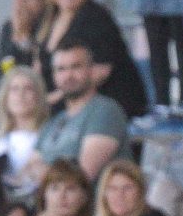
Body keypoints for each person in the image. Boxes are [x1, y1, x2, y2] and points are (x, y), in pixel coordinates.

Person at [40, 0, 152, 120]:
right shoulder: (49, 19)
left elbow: (101, 71)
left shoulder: (96, 17)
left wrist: (54, 98)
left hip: (107, 107)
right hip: (69, 102)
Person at [37, 42, 129, 184]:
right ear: (54, 75)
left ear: (91, 70)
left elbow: (82, 176)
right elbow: (27, 169)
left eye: (76, 66)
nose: (68, 75)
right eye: (61, 69)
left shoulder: (105, 110)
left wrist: (41, 173)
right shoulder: (54, 121)